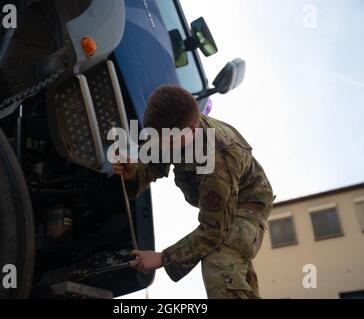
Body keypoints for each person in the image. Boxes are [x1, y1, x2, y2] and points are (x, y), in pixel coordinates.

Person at [112, 85, 274, 299]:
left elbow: (213, 230)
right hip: (223, 201)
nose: (162, 145)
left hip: (247, 206)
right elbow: (154, 164)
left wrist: (162, 258)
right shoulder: (168, 132)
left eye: (168, 141)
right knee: (235, 278)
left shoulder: (218, 160)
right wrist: (134, 173)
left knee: (219, 261)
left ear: (193, 129)